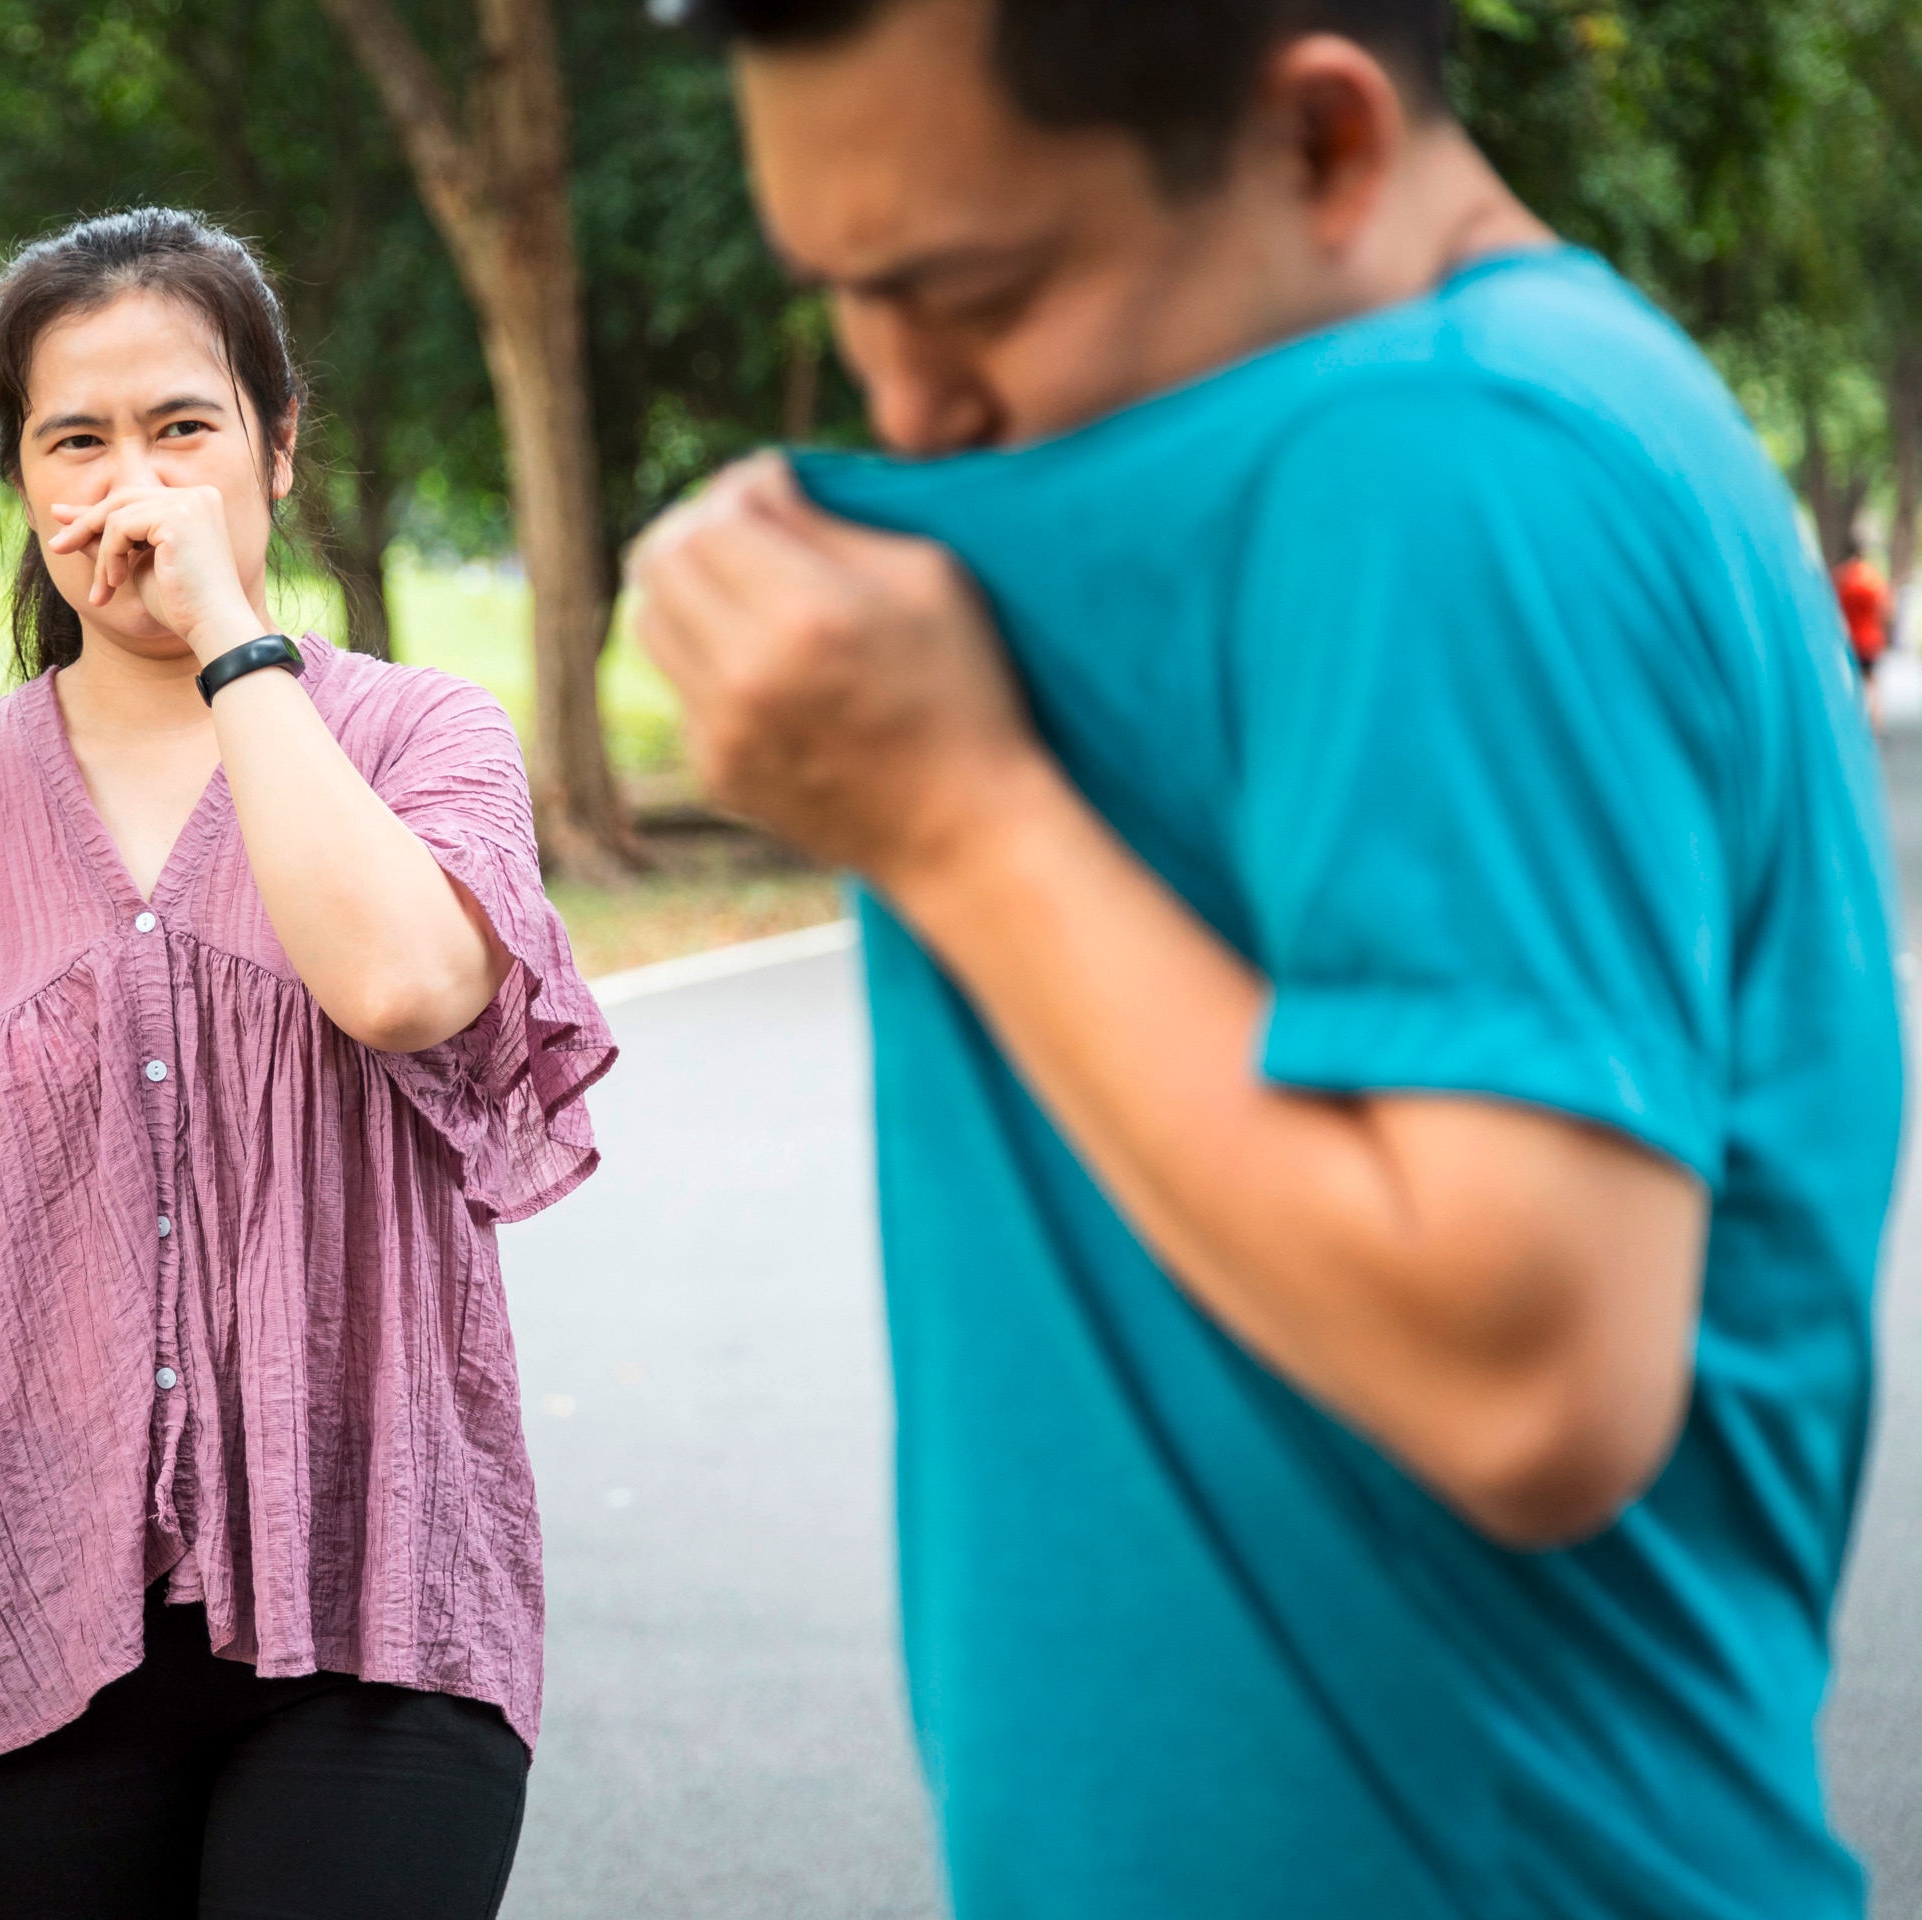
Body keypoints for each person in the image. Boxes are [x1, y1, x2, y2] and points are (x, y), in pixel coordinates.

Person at [631, 3, 1901, 1916]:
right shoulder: (1565, 390)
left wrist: (958, 817)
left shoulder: (1449, 456)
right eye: (845, 299)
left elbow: (1534, 1380)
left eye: (974, 290)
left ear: (1324, 145)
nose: (908, 407)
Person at [0, 207, 614, 1917]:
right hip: (27, 1642)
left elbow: (399, 982)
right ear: (20, 480)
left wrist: (234, 644)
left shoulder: (418, 738)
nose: (128, 481)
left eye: (183, 429)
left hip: (385, 1613)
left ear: (278, 453)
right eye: (75, 438)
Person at [1836, 542, 1895, 682]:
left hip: (1848, 639)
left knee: (1850, 682)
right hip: (1870, 640)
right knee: (1870, 682)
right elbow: (1887, 611)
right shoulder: (1873, 579)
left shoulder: (1841, 578)